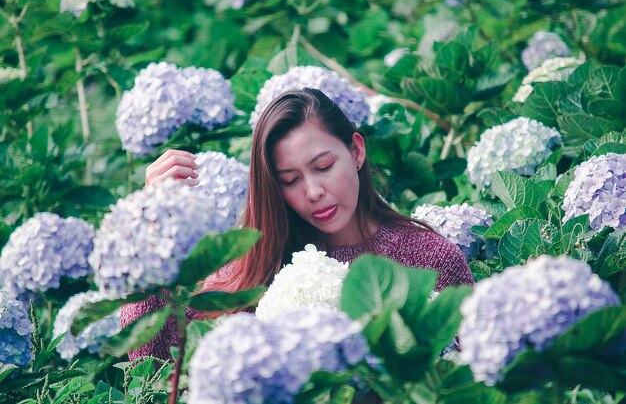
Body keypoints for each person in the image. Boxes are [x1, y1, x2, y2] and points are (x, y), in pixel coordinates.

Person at [120, 87, 474, 361]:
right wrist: (152, 227)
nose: (314, 191)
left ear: (356, 151)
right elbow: (152, 366)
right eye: (290, 180)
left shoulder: (429, 257)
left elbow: (469, 374)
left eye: (323, 166)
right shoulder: (257, 267)